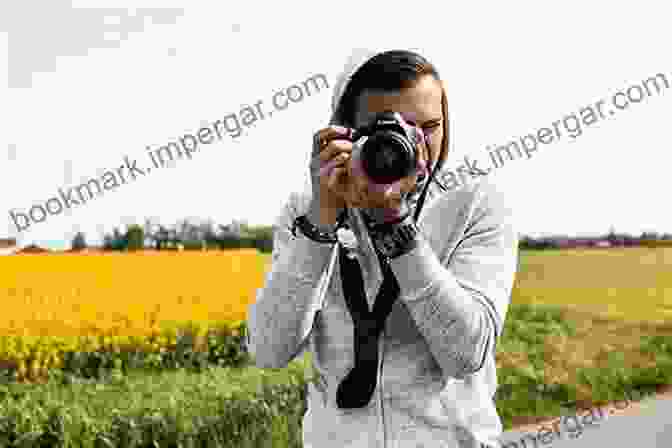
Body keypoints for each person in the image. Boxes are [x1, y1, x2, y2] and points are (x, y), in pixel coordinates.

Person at [246, 47, 519, 448]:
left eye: (429, 127)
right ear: (344, 131)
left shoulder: (475, 202)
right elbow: (269, 350)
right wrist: (322, 219)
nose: (413, 143)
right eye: (390, 127)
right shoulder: (308, 208)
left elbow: (465, 352)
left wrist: (394, 223)